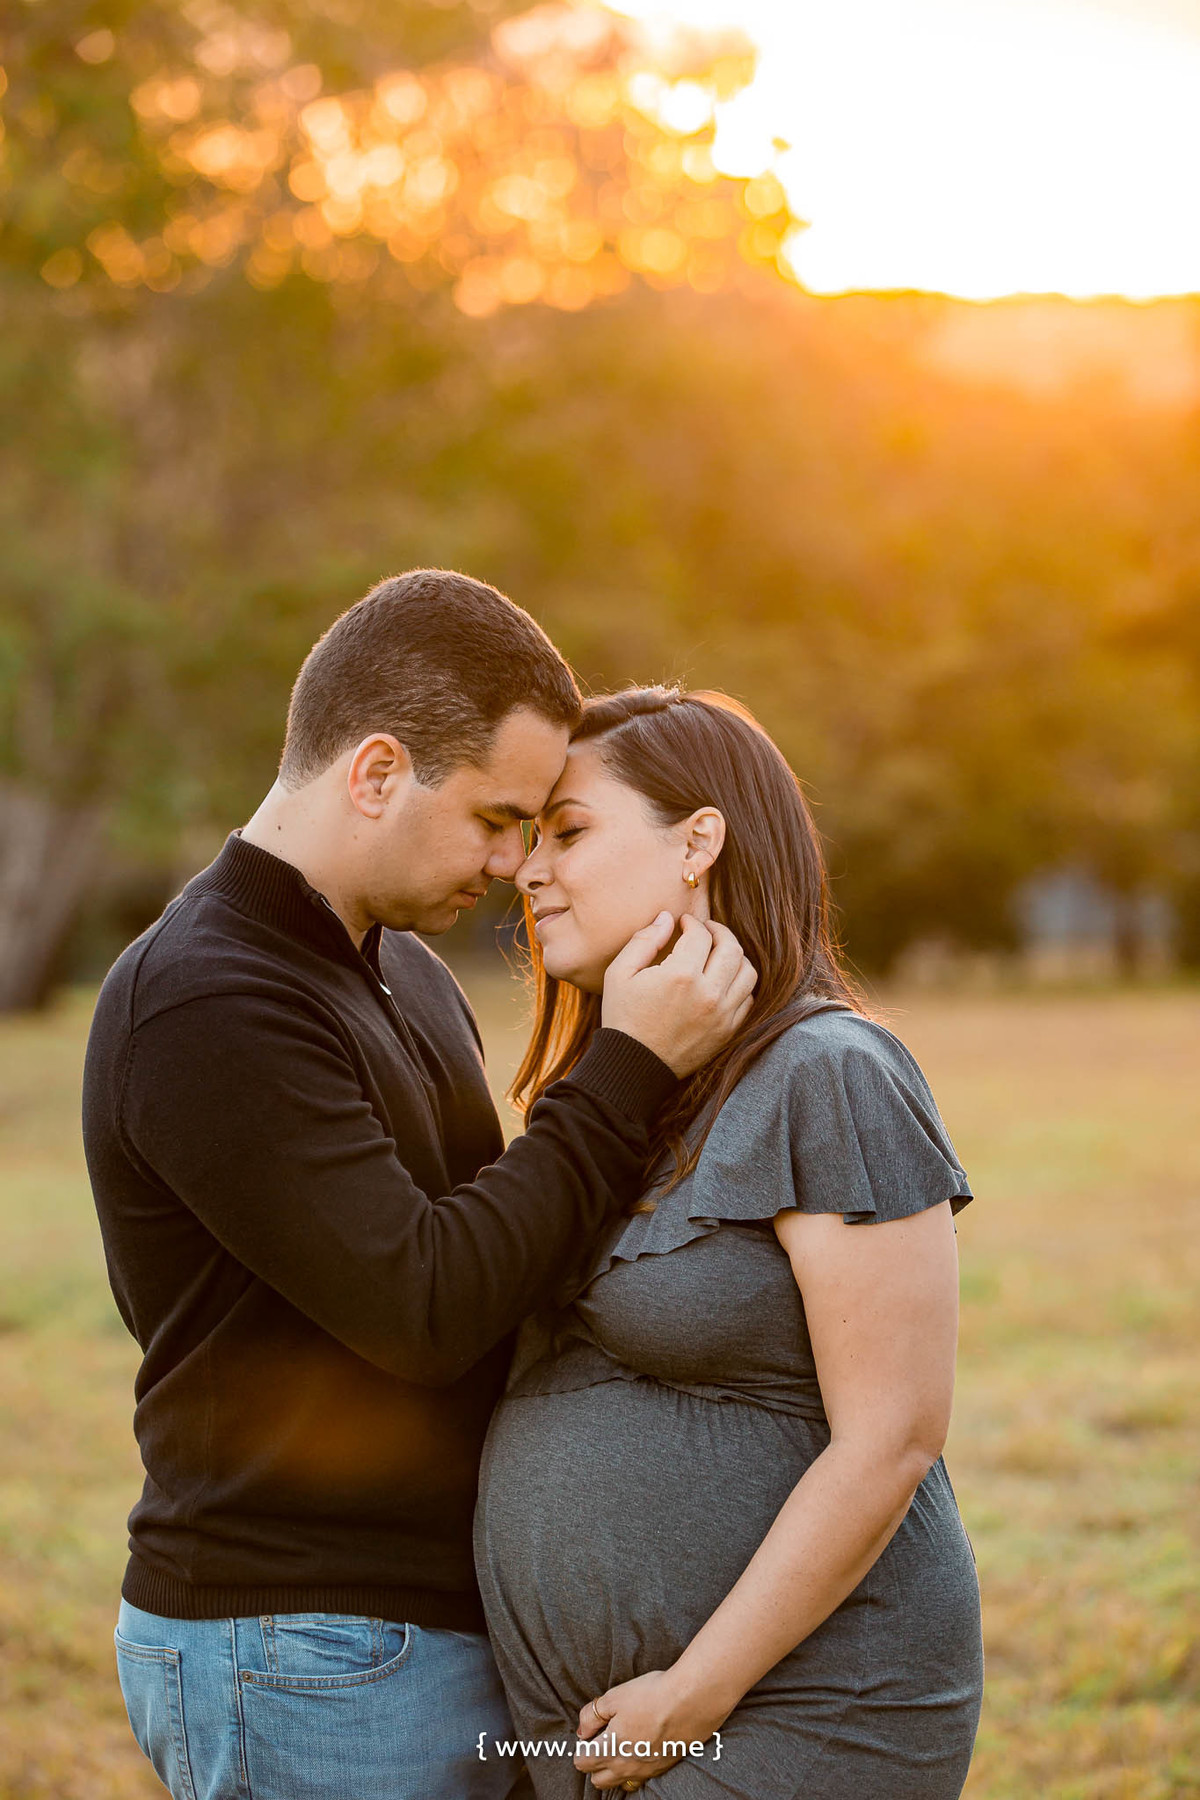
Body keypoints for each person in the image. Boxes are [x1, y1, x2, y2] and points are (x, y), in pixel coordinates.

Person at [81, 574, 757, 1800]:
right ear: (378, 771)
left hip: (399, 1634)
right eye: (498, 818)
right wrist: (630, 1063)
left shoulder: (401, 970)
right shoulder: (209, 997)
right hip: (298, 1644)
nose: (513, 865)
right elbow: (427, 1306)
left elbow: (507, 1247)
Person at [473, 685, 984, 1799]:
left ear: (698, 839)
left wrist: (692, 1694)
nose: (528, 870)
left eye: (568, 831)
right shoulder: (611, 1095)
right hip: (596, 1734)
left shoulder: (831, 1073)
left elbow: (893, 1438)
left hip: (794, 1707)